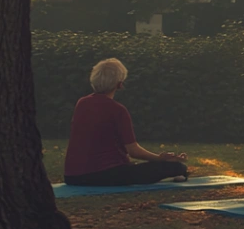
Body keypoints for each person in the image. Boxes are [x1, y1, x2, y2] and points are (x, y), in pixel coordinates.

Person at [63, 58, 189, 186]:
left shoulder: (82, 103)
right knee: (177, 167)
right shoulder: (118, 110)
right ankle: (178, 170)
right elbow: (133, 151)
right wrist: (160, 159)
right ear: (119, 84)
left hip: (73, 177)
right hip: (105, 175)